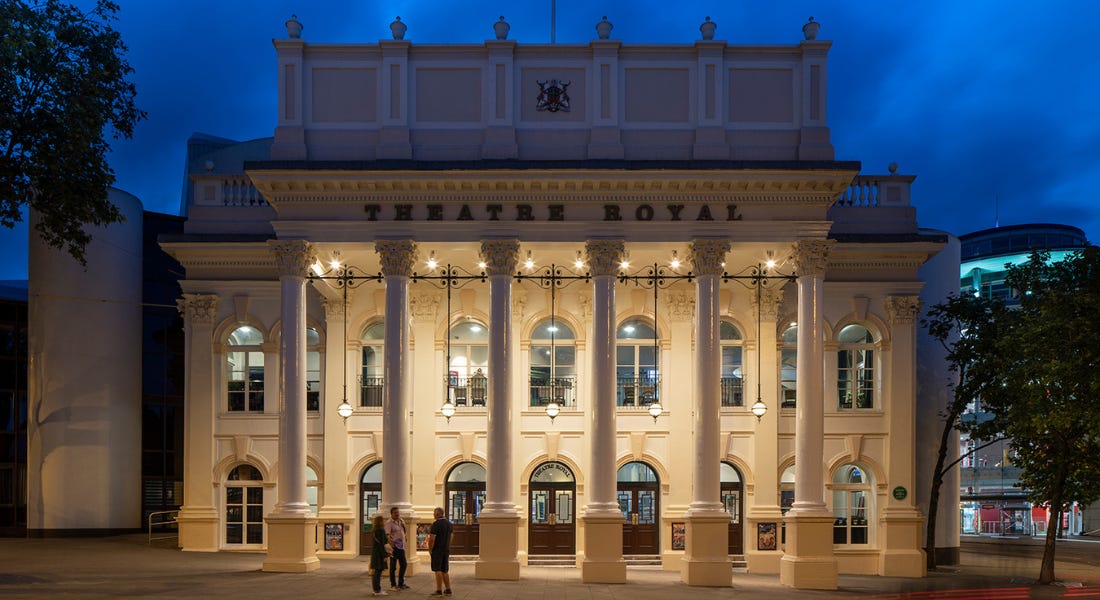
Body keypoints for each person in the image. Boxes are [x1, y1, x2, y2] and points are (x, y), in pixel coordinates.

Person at [426, 506, 453, 596]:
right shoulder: (449, 523)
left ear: (438, 514)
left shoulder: (436, 524)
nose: (433, 515)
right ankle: (448, 589)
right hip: (446, 549)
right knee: (444, 570)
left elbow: (432, 539)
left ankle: (438, 590)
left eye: (434, 513)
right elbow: (452, 536)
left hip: (437, 550)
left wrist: (430, 550)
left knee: (437, 569)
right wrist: (447, 545)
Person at [385, 506, 409, 590]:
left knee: (404, 564)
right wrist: (391, 545)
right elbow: (387, 535)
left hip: (401, 547)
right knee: (393, 567)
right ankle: (393, 585)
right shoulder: (389, 523)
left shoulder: (401, 520)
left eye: (398, 512)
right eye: (395, 513)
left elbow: (403, 531)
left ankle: (401, 583)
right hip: (394, 547)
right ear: (391, 514)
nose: (397, 514)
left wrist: (405, 536)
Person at [369, 514, 390, 596]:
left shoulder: (374, 530)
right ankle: (377, 590)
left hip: (375, 553)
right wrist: (384, 555)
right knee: (378, 572)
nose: (384, 522)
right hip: (379, 554)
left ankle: (376, 589)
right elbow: (382, 544)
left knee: (376, 572)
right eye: (382, 520)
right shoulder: (380, 530)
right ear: (380, 521)